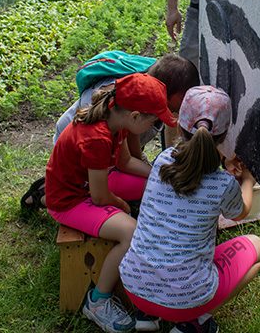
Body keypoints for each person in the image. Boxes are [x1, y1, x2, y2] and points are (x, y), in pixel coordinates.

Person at [120, 86, 260, 333]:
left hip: (134, 287)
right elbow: (243, 211)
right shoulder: (223, 184)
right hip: (185, 300)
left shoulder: (163, 161)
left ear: (178, 126)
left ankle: (146, 317)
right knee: (256, 247)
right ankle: (195, 324)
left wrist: (222, 161)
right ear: (225, 134)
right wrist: (248, 180)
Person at [45, 73, 178, 333]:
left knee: (155, 187)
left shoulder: (115, 120)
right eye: (155, 120)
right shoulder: (97, 138)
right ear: (136, 117)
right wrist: (124, 207)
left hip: (91, 186)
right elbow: (99, 197)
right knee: (131, 232)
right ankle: (98, 301)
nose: (156, 125)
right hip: (69, 201)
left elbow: (125, 163)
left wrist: (162, 176)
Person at [21, 54, 199, 211]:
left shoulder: (150, 85)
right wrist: (123, 203)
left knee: (145, 184)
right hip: (83, 160)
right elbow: (103, 190)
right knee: (97, 190)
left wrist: (159, 171)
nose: (175, 113)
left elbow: (128, 157)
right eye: (172, 108)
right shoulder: (110, 116)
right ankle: (45, 194)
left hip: (108, 152)